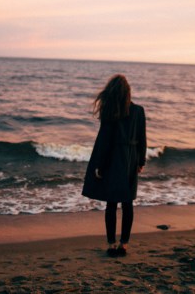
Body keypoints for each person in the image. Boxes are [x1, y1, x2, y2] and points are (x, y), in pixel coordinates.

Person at [82, 74, 147, 257]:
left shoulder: (110, 112)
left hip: (114, 160)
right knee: (128, 204)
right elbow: (143, 139)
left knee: (111, 204)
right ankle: (124, 245)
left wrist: (99, 166)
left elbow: (104, 142)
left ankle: (111, 244)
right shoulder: (138, 111)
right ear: (128, 92)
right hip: (131, 159)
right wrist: (141, 161)